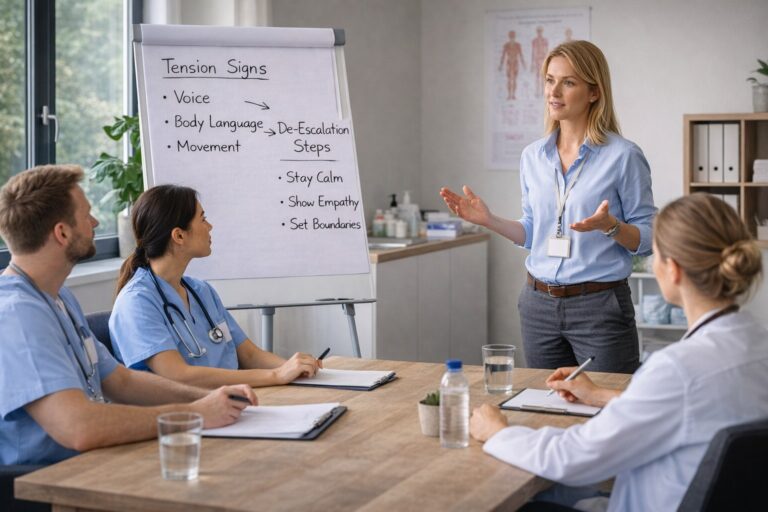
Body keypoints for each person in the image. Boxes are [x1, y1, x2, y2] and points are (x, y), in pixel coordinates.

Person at [470, 193, 766, 512]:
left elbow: (573, 459)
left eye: (655, 255)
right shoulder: (756, 344)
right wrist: (601, 396)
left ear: (674, 270)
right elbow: (696, 409)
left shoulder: (677, 370)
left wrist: (498, 432)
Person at [0, 165, 257, 466]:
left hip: (93, 463)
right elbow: (79, 428)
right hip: (45, 483)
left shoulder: (58, 298)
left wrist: (205, 399)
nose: (95, 222)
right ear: (62, 232)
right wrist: (197, 414)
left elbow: (120, 381)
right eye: (86, 215)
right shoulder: (17, 314)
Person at [441, 40, 656, 373]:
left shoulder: (624, 156)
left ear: (594, 92)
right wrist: (489, 220)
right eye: (549, 80)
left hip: (599, 307)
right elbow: (532, 231)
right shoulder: (533, 156)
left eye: (568, 82)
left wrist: (610, 225)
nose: (554, 91)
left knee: (608, 409)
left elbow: (648, 237)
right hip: (538, 305)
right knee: (546, 405)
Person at [109, 184, 321, 388]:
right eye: (203, 219)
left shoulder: (201, 291)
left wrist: (294, 367)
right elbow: (179, 376)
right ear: (179, 235)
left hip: (228, 402)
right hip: (184, 417)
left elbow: (248, 355)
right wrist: (276, 375)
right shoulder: (136, 302)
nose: (210, 227)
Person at [498, 30, 526, 100]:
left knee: (514, 80)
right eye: (511, 36)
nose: (512, 38)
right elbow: (503, 56)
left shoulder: (518, 45)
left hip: (515, 64)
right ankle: (509, 94)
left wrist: (523, 64)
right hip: (509, 64)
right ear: (509, 37)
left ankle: (513, 95)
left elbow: (521, 55)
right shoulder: (506, 45)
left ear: (514, 37)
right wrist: (501, 65)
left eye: (513, 36)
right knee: (509, 80)